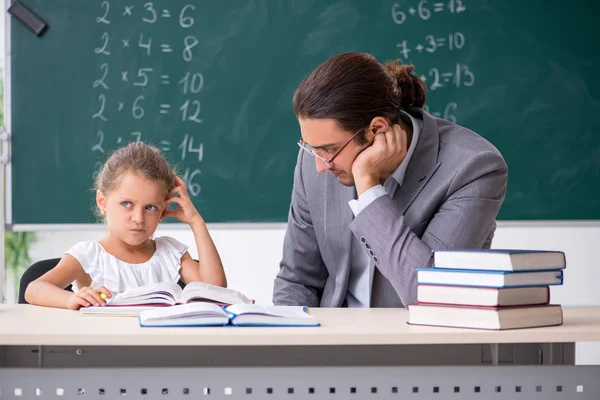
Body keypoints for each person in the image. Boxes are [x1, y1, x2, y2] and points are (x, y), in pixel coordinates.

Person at [273, 52, 508, 308]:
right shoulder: (316, 155)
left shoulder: (474, 167)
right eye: (310, 148)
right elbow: (297, 281)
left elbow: (430, 293)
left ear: (377, 129)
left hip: (418, 342)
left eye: (329, 150)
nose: (319, 165)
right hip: (332, 341)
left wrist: (369, 189)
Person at [25, 142, 227, 309]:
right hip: (106, 353)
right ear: (103, 202)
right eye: (126, 204)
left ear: (163, 210)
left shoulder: (171, 252)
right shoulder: (89, 255)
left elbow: (215, 290)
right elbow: (34, 289)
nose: (138, 218)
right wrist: (71, 299)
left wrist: (196, 222)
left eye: (150, 207)